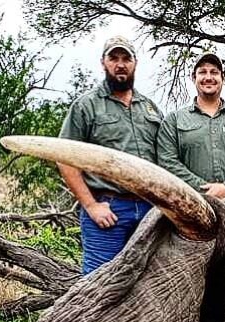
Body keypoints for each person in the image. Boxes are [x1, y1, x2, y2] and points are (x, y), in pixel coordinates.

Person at [57, 35, 163, 274]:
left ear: (135, 63)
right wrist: (91, 205)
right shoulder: (86, 106)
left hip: (149, 210)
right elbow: (64, 158)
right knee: (98, 284)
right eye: (113, 58)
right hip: (108, 210)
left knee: (146, 283)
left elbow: (165, 158)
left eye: (126, 58)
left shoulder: (150, 108)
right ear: (103, 63)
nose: (120, 64)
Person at [157, 53, 225, 198]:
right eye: (202, 72)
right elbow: (167, 161)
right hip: (191, 203)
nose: (208, 77)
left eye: (214, 72)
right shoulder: (173, 121)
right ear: (193, 77)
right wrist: (203, 190)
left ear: (223, 78)